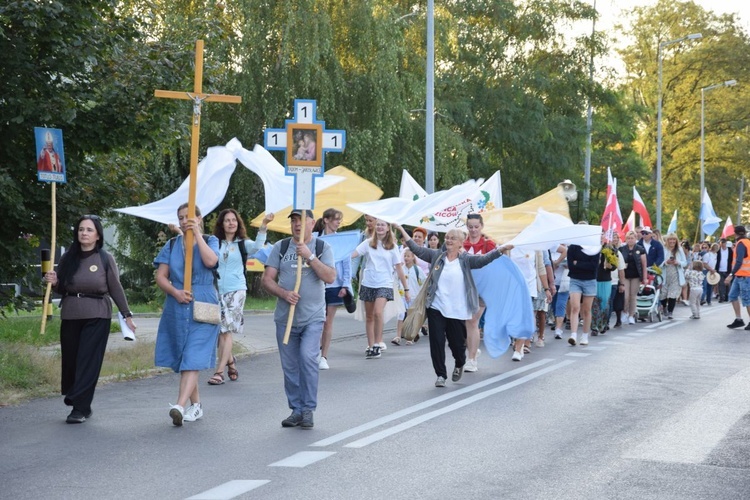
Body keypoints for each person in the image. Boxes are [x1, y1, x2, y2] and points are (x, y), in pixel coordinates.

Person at [43, 215, 136, 424]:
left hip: (97, 314)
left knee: (88, 361)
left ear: (98, 235)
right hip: (71, 313)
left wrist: (127, 314)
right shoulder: (68, 257)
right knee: (72, 360)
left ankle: (78, 408)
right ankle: (79, 398)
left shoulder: (104, 258)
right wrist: (54, 281)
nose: (84, 233)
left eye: (89, 230)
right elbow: (62, 287)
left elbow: (115, 288)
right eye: (81, 229)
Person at [394, 224, 512, 386]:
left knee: (457, 344)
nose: (449, 240)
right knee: (436, 341)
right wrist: (401, 230)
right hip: (436, 307)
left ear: (460, 243)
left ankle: (460, 362)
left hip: (457, 310)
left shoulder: (466, 260)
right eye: (447, 237)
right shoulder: (437, 256)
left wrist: (500, 250)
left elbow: (483, 260)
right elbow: (417, 249)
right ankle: (441, 375)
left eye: (453, 238)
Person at [262, 209, 336, 429]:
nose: (297, 225)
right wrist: (284, 293)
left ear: (312, 224)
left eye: (301, 221)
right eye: (294, 221)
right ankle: (296, 409)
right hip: (285, 319)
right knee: (290, 366)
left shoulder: (323, 248)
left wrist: (310, 257)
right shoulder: (281, 247)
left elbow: (330, 277)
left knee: (307, 358)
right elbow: (267, 279)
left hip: (313, 318)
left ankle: (308, 409)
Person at [154, 203, 220, 426]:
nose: (184, 221)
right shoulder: (172, 244)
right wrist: (175, 292)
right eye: (180, 217)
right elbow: (161, 276)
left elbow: (211, 262)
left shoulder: (211, 240)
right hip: (177, 303)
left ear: (199, 218)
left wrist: (197, 235)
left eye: (189, 217)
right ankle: (196, 406)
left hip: (204, 302)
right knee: (185, 357)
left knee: (193, 355)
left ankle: (179, 406)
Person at [206, 209, 273, 385]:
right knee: (220, 330)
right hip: (216, 290)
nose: (231, 223)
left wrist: (264, 225)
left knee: (226, 330)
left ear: (238, 223)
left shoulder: (243, 244)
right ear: (221, 224)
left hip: (236, 290)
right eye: (227, 220)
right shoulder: (215, 243)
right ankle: (231, 362)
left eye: (234, 220)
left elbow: (258, 247)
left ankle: (219, 372)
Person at [352, 219, 410, 359]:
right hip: (368, 282)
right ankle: (371, 345)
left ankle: (378, 343)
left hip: (384, 283)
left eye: (382, 225)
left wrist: (406, 288)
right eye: (378, 224)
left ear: (388, 228)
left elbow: (399, 268)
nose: (379, 227)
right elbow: (353, 254)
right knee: (370, 315)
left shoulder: (392, 246)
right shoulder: (368, 243)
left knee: (378, 312)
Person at [313, 208, 352, 370]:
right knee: (316, 321)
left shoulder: (342, 240)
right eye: (336, 219)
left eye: (339, 220)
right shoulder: (314, 238)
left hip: (335, 285)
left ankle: (324, 356)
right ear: (326, 220)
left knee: (327, 322)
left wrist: (346, 284)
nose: (338, 222)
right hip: (316, 284)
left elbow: (346, 263)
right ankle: (314, 351)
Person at [462, 213, 496, 371]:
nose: (473, 230)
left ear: (482, 226)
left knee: (473, 321)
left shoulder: (488, 245)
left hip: (483, 289)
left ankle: (472, 359)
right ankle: (473, 349)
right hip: (464, 288)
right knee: (466, 323)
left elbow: (496, 266)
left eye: (476, 227)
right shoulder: (462, 244)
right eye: (470, 227)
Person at [566, 241, 600, 346]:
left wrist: (578, 263)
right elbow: (571, 265)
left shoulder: (595, 247)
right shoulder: (573, 247)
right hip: (575, 279)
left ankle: (585, 335)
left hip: (590, 280)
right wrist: (582, 264)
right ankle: (573, 334)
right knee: (575, 307)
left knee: (586, 309)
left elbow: (594, 265)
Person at [392, 248, 425, 345]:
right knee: (401, 315)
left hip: (414, 296)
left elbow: (423, 282)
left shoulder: (417, 270)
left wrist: (422, 295)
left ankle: (411, 337)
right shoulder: (401, 269)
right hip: (402, 295)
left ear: (413, 257)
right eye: (405, 256)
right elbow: (396, 280)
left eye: (408, 256)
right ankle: (398, 336)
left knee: (412, 317)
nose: (406, 258)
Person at [619, 231, 648, 324]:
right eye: (628, 238)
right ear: (626, 239)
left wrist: (645, 278)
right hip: (625, 276)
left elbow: (644, 265)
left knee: (633, 296)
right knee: (625, 296)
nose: (630, 240)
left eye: (632, 238)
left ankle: (631, 315)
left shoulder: (640, 249)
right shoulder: (621, 249)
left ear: (635, 239)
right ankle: (624, 312)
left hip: (636, 276)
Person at [725, 225, 750, 330]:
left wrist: (730, 275)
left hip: (744, 276)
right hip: (740, 276)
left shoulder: (740, 244)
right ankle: (739, 319)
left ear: (735, 234)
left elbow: (739, 261)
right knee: (732, 296)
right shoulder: (747, 242)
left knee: (747, 300)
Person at [659, 233, 688, 320]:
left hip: (675, 274)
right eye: (670, 239)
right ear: (667, 240)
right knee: (663, 294)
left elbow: (685, 262)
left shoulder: (679, 249)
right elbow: (659, 262)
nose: (672, 241)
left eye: (674, 239)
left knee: (673, 294)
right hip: (664, 274)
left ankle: (670, 311)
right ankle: (664, 307)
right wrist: (666, 262)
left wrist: (678, 262)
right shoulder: (663, 249)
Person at [716, 238, 734, 303]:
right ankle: (721, 297)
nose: (723, 245)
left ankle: (727, 297)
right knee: (721, 284)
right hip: (720, 269)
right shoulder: (718, 251)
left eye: (724, 243)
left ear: (726, 244)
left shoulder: (730, 251)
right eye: (721, 244)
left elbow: (732, 259)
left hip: (728, 269)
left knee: (728, 284)